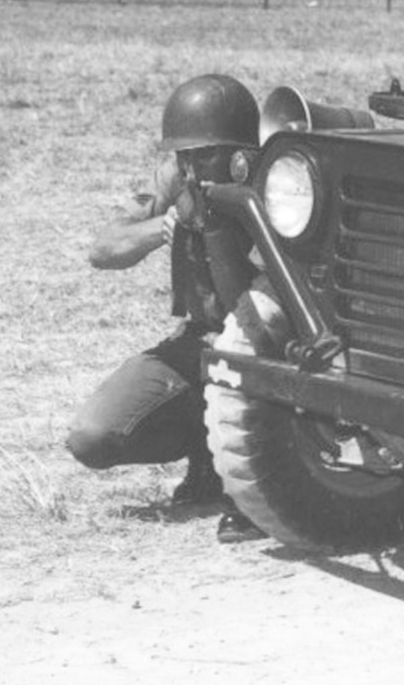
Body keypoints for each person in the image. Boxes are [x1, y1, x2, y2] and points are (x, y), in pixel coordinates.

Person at [65, 74, 266, 543]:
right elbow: (103, 249)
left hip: (269, 346)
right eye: (184, 156)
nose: (193, 167)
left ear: (243, 151)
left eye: (207, 154)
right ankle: (209, 451)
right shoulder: (180, 180)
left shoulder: (275, 183)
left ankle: (255, 476)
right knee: (93, 436)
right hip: (202, 341)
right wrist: (166, 224)